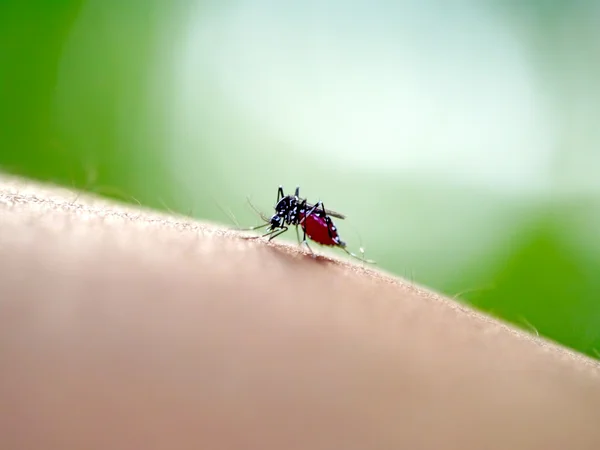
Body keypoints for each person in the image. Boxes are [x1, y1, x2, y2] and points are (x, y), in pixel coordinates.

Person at [1, 174, 599, 449]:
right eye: (287, 218)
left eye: (284, 216)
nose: (284, 217)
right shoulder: (292, 217)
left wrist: (298, 233)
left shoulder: (301, 219)